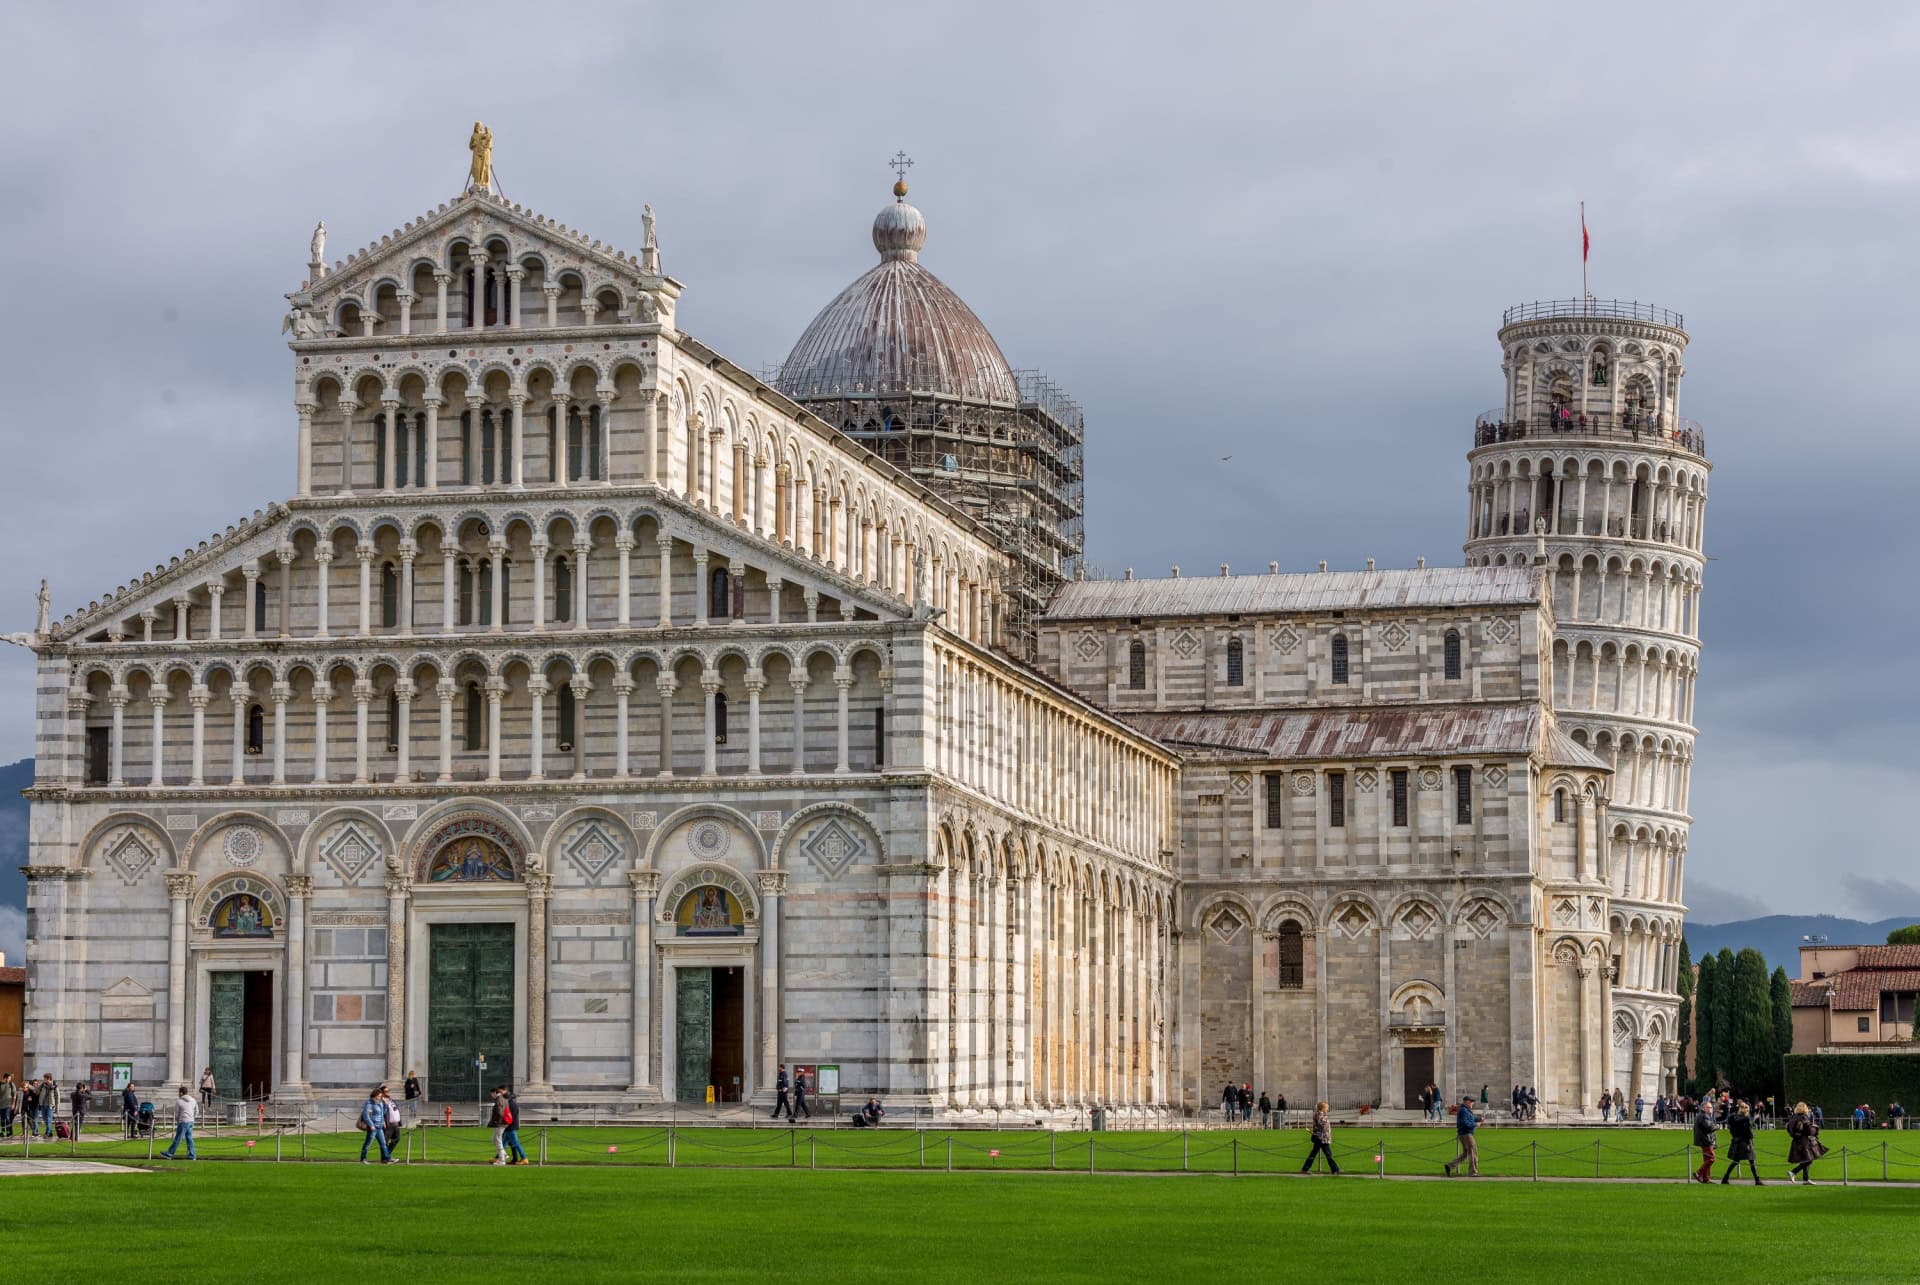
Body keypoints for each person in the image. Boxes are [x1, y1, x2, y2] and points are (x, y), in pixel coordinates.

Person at [1720, 1101, 1762, 1185]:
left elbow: (1731, 1131)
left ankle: (1725, 1178)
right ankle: (1757, 1180)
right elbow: (1748, 1132)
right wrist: (1752, 1135)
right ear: (1747, 1111)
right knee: (1752, 1161)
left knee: (1735, 1161)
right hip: (1745, 1142)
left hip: (1736, 1141)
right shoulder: (1746, 1119)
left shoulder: (1733, 1118)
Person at [1787, 1102, 1825, 1184]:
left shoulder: (1794, 1117)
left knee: (1805, 1159)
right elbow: (1809, 1130)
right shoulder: (1804, 1117)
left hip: (1796, 1141)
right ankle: (1793, 1172)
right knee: (1809, 1159)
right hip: (1804, 1141)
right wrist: (1816, 1128)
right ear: (1805, 1109)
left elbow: (1789, 1128)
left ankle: (1805, 1179)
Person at [1444, 1096, 1480, 1177]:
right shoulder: (1463, 1111)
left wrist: (1480, 1118)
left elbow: (1471, 1118)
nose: (1472, 1104)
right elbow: (1465, 1123)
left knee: (1465, 1154)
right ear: (1466, 1102)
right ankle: (1473, 1172)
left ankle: (1450, 1166)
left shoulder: (1465, 1110)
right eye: (1471, 1102)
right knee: (1473, 1152)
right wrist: (1475, 1124)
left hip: (1463, 1134)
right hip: (1467, 1134)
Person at [1300, 1101, 1339, 1174]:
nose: (1327, 1109)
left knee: (1316, 1153)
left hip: (1321, 1137)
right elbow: (1322, 1123)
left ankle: (1335, 1169)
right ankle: (1335, 1169)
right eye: (1327, 1108)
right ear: (1323, 1108)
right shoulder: (1320, 1115)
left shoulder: (1319, 1114)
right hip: (1321, 1138)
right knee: (1327, 1154)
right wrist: (1326, 1117)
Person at [161, 1085, 197, 1161]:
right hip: (190, 1121)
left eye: (179, 1092)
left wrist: (178, 1120)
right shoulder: (193, 1100)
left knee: (178, 1138)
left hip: (183, 1121)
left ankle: (169, 1153)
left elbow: (177, 1113)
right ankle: (192, 1155)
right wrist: (192, 1117)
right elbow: (197, 1110)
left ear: (181, 1093)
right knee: (189, 1138)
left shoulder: (179, 1101)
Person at [359, 1088, 393, 1164]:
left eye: (381, 1096)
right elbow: (366, 1116)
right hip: (373, 1127)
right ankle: (363, 1158)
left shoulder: (380, 1103)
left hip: (379, 1127)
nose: (380, 1097)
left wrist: (383, 1121)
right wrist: (371, 1125)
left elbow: (382, 1113)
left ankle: (388, 1158)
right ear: (374, 1095)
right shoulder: (369, 1103)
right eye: (379, 1096)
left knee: (383, 1143)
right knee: (368, 1143)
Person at [1692, 1100, 1718, 1184]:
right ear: (1704, 1108)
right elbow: (1709, 1128)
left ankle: (1706, 1179)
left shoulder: (1700, 1115)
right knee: (1712, 1158)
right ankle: (1698, 1173)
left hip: (1702, 1140)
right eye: (1708, 1107)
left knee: (1707, 1160)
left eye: (1711, 1107)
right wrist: (1716, 1127)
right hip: (1706, 1140)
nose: (1711, 1109)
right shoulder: (1704, 1116)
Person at [500, 1085, 528, 1165]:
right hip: (510, 1126)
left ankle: (524, 1157)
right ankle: (498, 1157)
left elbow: (509, 1117)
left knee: (515, 1143)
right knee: (503, 1143)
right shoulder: (512, 1104)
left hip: (510, 1126)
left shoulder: (511, 1105)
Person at [487, 1087, 510, 1165]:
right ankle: (504, 1154)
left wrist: (496, 1122)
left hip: (500, 1123)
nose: (491, 1096)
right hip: (501, 1123)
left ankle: (502, 1160)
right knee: (494, 1139)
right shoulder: (503, 1098)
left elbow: (500, 1113)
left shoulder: (499, 1100)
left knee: (497, 1140)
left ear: (494, 1093)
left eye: (491, 1094)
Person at [382, 1086, 402, 1154]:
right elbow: (381, 1113)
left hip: (395, 1124)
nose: (388, 1092)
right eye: (386, 1091)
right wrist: (383, 1121)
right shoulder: (381, 1102)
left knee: (397, 1139)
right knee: (385, 1141)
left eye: (388, 1090)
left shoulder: (391, 1100)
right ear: (382, 1093)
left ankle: (387, 1155)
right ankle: (385, 1158)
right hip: (388, 1125)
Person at [36, 1073, 56, 1137]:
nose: (43, 1079)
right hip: (43, 1104)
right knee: (45, 1119)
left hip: (50, 1105)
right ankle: (50, 1132)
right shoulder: (43, 1085)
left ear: (48, 1078)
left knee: (48, 1118)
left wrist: (57, 1107)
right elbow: (36, 1090)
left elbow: (57, 1097)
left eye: (44, 1078)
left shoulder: (55, 1085)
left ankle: (47, 1132)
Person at [0, 1071, 15, 1139]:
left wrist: (13, 1104)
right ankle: (3, 1132)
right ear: (5, 1078)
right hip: (1, 1104)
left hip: (8, 1104)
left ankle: (9, 1132)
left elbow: (14, 1095)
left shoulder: (11, 1084)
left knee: (7, 1117)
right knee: (2, 1119)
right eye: (8, 1078)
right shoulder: (0, 1084)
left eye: (10, 1078)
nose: (9, 1079)